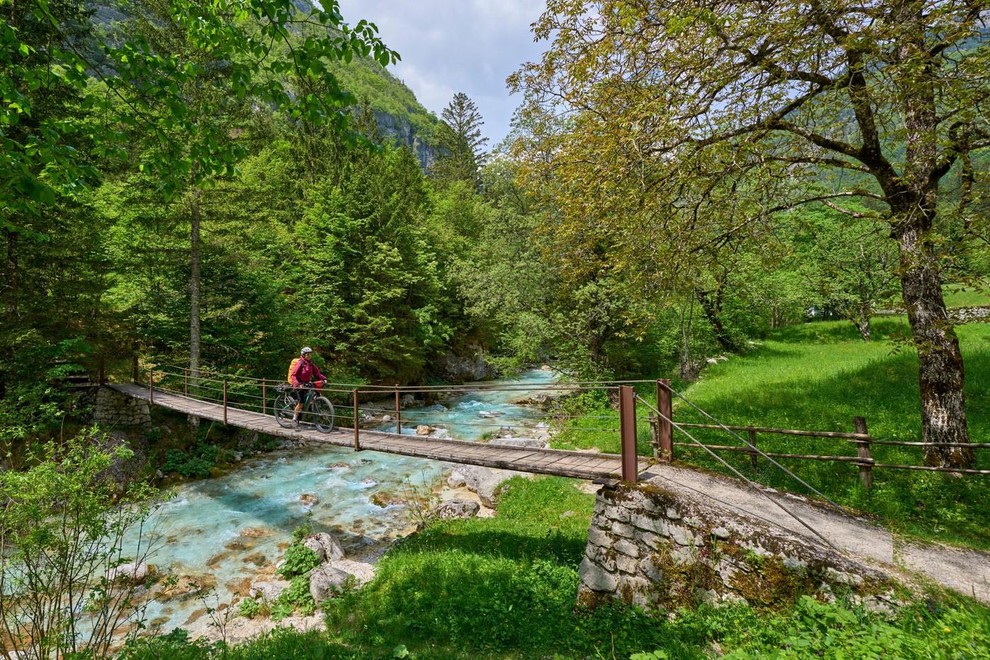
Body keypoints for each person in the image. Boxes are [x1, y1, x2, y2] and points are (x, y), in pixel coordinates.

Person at [290, 346, 326, 426]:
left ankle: (313, 411)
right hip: (299, 385)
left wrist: (324, 379)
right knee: (301, 403)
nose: (309, 356)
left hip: (306, 383)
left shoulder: (311, 364)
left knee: (316, 394)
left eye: (310, 354)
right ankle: (294, 418)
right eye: (307, 355)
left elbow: (317, 373)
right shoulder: (300, 363)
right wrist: (297, 384)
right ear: (303, 355)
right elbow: (293, 375)